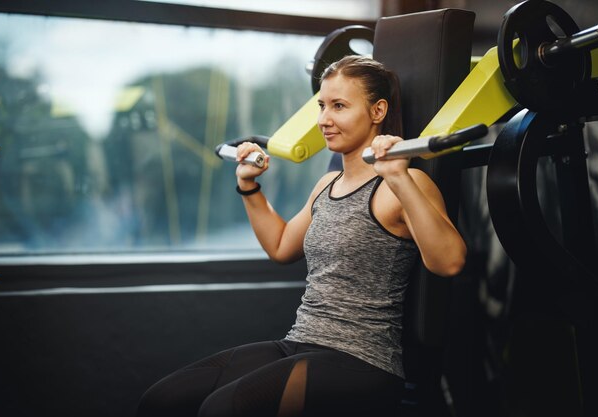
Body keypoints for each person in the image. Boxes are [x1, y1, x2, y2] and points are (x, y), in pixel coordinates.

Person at [136, 55, 467, 417]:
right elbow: (281, 247)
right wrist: (249, 187)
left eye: (339, 106)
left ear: (378, 111)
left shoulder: (405, 183)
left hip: (361, 359)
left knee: (221, 410)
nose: (324, 119)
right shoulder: (328, 184)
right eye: (322, 105)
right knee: (162, 401)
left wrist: (399, 177)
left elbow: (449, 262)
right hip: (299, 341)